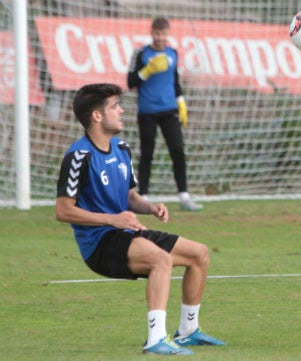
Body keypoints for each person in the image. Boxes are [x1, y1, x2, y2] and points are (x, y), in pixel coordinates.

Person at [55, 83, 225, 355]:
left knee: (199, 254)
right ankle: (155, 339)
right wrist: (113, 220)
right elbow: (63, 210)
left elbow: (130, 197)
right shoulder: (78, 156)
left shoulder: (122, 148)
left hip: (125, 232)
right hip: (99, 244)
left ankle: (187, 331)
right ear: (96, 116)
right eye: (114, 106)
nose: (121, 111)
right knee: (161, 259)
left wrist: (150, 207)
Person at [127, 17, 202, 211]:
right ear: (152, 33)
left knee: (177, 151)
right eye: (157, 34)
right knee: (147, 154)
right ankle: (142, 197)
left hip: (169, 109)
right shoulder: (141, 54)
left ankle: (184, 196)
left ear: (168, 34)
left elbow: (175, 81)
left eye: (164, 34)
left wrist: (181, 103)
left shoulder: (173, 53)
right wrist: (148, 70)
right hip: (147, 111)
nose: (161, 38)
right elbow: (130, 82)